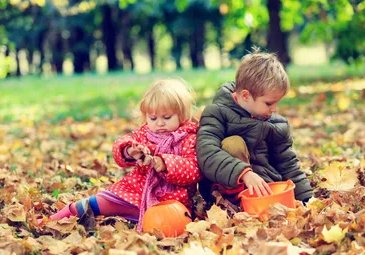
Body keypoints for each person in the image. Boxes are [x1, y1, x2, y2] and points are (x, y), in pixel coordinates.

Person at [46, 78, 202, 231]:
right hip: (133, 192)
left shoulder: (188, 139)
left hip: (170, 201)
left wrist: (164, 163)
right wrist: (129, 151)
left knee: (166, 223)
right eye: (153, 118)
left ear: (181, 115)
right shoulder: (144, 134)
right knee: (93, 203)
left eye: (166, 117)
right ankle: (50, 222)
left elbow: (193, 169)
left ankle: (142, 218)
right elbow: (121, 144)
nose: (159, 123)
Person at [196, 47, 313, 205]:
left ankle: (261, 202)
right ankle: (234, 203)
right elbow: (207, 153)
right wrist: (243, 173)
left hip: (264, 187)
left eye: (277, 102)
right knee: (233, 143)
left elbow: (287, 162)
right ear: (245, 96)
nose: (274, 109)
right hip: (226, 189)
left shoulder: (276, 123)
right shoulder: (216, 113)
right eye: (269, 103)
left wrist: (306, 197)